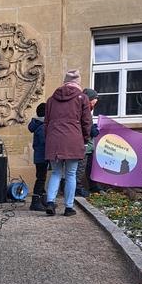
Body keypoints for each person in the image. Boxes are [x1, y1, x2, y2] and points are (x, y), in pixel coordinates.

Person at [43, 69, 92, 217]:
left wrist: (49, 139)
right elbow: (86, 122)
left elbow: (46, 123)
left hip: (54, 139)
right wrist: (85, 138)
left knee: (56, 172)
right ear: (77, 83)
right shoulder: (82, 98)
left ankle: (50, 202)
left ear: (64, 82)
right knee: (71, 174)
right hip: (73, 139)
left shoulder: (51, 100)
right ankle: (68, 207)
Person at [81, 88, 103, 193]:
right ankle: (78, 189)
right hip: (84, 146)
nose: (96, 101)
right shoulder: (84, 110)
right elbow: (87, 128)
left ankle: (93, 186)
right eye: (95, 98)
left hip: (88, 145)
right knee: (81, 169)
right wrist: (94, 130)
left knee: (90, 167)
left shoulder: (87, 110)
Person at [27, 102, 47, 211]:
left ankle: (43, 199)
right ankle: (35, 201)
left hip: (39, 156)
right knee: (41, 178)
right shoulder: (43, 126)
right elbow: (45, 142)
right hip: (42, 156)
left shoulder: (38, 124)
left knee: (41, 178)